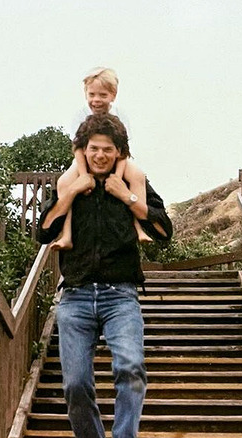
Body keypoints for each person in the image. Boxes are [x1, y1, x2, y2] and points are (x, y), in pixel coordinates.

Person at [38, 113, 172, 438]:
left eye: (107, 150)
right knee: (76, 385)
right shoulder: (70, 183)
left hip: (120, 296)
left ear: (119, 153)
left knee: (131, 369)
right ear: (83, 150)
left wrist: (126, 196)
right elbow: (44, 232)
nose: (100, 155)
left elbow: (164, 231)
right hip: (75, 298)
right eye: (94, 149)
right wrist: (71, 194)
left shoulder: (131, 182)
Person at [51, 67, 151, 251]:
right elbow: (78, 148)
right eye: (92, 94)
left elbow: (123, 150)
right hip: (85, 158)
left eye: (103, 95)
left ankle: (140, 228)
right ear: (85, 94)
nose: (96, 100)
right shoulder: (81, 115)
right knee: (64, 182)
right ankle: (66, 235)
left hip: (116, 158)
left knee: (137, 176)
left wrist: (118, 177)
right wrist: (83, 176)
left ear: (113, 95)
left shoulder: (119, 115)